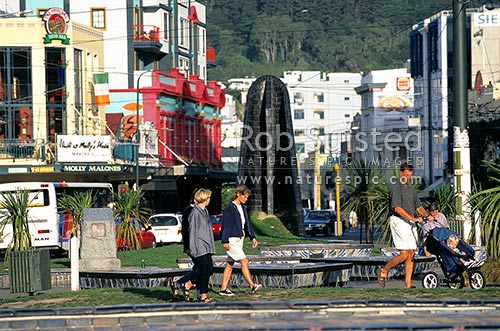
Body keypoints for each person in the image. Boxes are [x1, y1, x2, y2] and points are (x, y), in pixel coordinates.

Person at [377, 162, 434, 289]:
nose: (408, 178)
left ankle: (407, 284)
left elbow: (418, 206)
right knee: (404, 254)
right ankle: (384, 270)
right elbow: (397, 208)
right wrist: (413, 218)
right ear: (401, 173)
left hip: (410, 222)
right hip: (398, 221)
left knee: (411, 253)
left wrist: (427, 216)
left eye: (410, 176)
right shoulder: (396, 187)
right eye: (406, 175)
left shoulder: (411, 189)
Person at [219, 185, 262, 296]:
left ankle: (223, 289)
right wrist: (225, 241)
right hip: (232, 239)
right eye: (244, 197)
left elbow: (246, 223)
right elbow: (226, 225)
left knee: (230, 263)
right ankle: (252, 285)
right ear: (238, 194)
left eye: (247, 197)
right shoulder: (230, 208)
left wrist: (252, 237)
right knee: (244, 261)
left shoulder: (242, 207)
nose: (245, 199)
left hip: (240, 238)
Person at [187, 188, 215, 303]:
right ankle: (203, 295)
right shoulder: (195, 213)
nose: (209, 200)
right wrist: (193, 249)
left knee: (209, 269)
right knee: (205, 269)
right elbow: (192, 231)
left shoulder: (205, 211)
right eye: (208, 197)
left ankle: (187, 284)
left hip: (206, 245)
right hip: (199, 246)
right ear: (204, 198)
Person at [172, 189, 200, 301]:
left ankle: (179, 284)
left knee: (199, 269)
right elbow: (187, 231)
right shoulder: (190, 211)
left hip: (197, 245)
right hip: (192, 246)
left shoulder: (195, 210)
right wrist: (188, 246)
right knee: (200, 269)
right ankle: (182, 284)